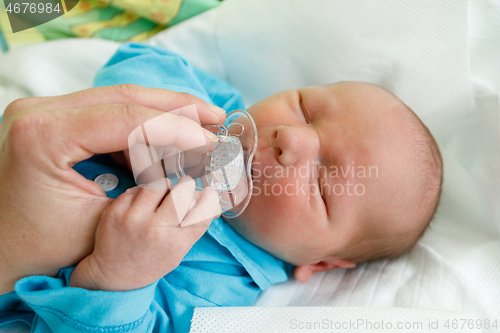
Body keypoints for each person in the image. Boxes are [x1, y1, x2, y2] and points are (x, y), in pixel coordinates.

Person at [0, 43, 443, 333]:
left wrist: (118, 279)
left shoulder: (223, 288)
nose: (292, 138)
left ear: (321, 263)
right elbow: (142, 56)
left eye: (321, 184)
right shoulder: (221, 109)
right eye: (305, 109)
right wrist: (162, 109)